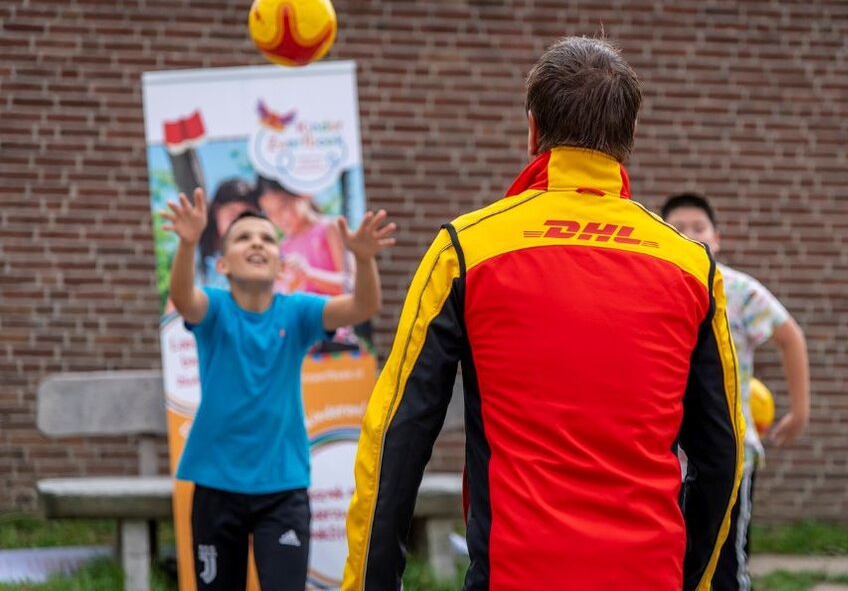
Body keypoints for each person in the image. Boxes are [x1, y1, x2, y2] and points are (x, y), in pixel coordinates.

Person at [342, 36, 744, 591]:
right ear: (628, 140)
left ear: (532, 129)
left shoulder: (466, 248)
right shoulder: (691, 263)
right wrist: (692, 576)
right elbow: (721, 454)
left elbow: (396, 435)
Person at [160, 188, 396, 591]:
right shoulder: (214, 309)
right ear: (223, 264)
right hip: (215, 486)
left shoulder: (297, 311)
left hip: (282, 490)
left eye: (267, 238)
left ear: (280, 262)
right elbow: (183, 298)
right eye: (244, 238)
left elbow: (361, 307)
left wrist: (363, 257)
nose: (257, 243)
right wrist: (186, 243)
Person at [661, 192, 811, 591]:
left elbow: (790, 336)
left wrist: (800, 411)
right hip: (663, 455)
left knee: (724, 560)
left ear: (718, 237)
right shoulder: (655, 285)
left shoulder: (738, 290)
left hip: (730, 451)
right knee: (668, 559)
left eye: (699, 228)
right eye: (677, 228)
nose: (689, 235)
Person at [256, 175, 351, 297]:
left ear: (302, 195)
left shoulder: (330, 228)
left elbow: (352, 283)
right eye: (269, 212)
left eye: (283, 206)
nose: (278, 217)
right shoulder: (284, 246)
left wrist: (309, 274)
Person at [197, 177, 260, 286]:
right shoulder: (196, 252)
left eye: (247, 216)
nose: (238, 223)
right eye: (232, 214)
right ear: (217, 211)